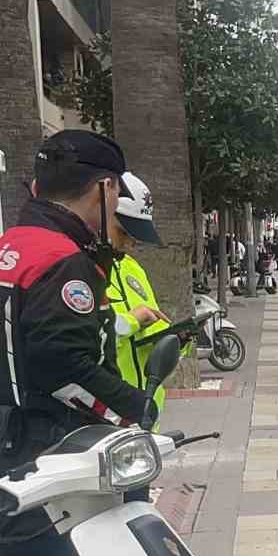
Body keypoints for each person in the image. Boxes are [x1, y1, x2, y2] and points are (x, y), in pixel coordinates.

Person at [0, 130, 155, 556]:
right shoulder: (61, 260)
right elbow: (64, 368)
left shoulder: (6, 247)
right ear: (106, 187)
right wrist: (132, 411)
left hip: (1, 448)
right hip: (43, 461)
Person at [107, 172, 171, 419]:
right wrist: (131, 321)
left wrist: (175, 338)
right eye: (124, 233)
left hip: (145, 408)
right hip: (110, 413)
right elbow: (84, 343)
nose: (130, 244)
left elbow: (151, 319)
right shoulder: (78, 270)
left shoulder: (131, 266)